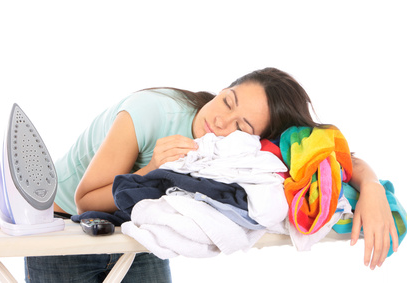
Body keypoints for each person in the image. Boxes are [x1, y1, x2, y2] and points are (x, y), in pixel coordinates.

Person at [25, 67, 398, 282]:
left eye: (241, 126)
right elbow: (86, 199)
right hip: (65, 224)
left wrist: (372, 189)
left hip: (136, 229)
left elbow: (332, 157)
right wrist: (151, 170)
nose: (219, 119)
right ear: (223, 90)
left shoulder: (245, 152)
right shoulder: (151, 112)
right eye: (227, 101)